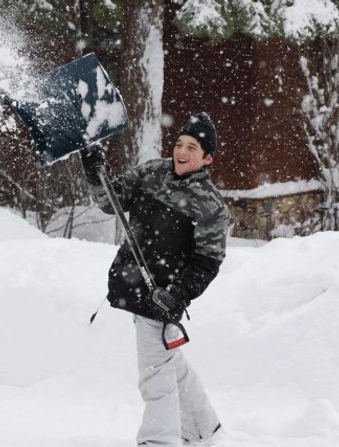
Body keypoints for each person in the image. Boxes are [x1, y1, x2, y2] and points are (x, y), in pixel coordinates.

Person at [80, 112, 230, 447]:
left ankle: (159, 441)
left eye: (193, 147)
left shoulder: (209, 205)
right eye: (180, 143)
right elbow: (111, 201)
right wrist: (95, 170)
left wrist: (178, 295)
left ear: (207, 159)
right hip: (135, 284)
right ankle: (204, 429)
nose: (182, 150)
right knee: (167, 362)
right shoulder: (152, 172)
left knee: (155, 374)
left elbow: (208, 262)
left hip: (162, 296)